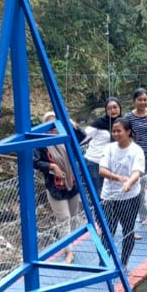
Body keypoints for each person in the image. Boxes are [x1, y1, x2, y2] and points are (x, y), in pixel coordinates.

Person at [32, 111, 88, 264]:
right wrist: (52, 166)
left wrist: (68, 120)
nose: (53, 128)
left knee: (74, 216)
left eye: (55, 124)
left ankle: (69, 245)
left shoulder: (66, 138)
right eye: (49, 125)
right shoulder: (42, 143)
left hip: (73, 184)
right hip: (55, 188)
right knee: (63, 219)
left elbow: (83, 136)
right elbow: (35, 161)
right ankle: (69, 252)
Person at [97, 117, 144, 266]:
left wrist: (129, 182)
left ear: (128, 132)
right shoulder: (109, 148)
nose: (116, 134)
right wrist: (118, 178)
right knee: (107, 231)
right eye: (114, 131)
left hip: (129, 197)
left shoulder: (136, 150)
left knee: (128, 230)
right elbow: (102, 170)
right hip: (109, 197)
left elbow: (137, 172)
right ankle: (104, 264)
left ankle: (123, 263)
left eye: (119, 131)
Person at [126, 87, 147, 234]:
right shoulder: (128, 117)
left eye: (145, 99)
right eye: (140, 100)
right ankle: (144, 216)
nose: (143, 102)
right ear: (134, 101)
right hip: (138, 158)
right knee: (140, 188)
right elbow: (123, 132)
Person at [83, 97, 121, 199]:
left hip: (112, 163)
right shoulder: (99, 123)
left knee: (111, 191)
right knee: (99, 192)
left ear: (120, 108)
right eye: (109, 108)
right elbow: (83, 136)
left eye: (115, 107)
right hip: (95, 161)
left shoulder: (122, 122)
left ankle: (108, 210)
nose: (112, 110)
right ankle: (100, 210)